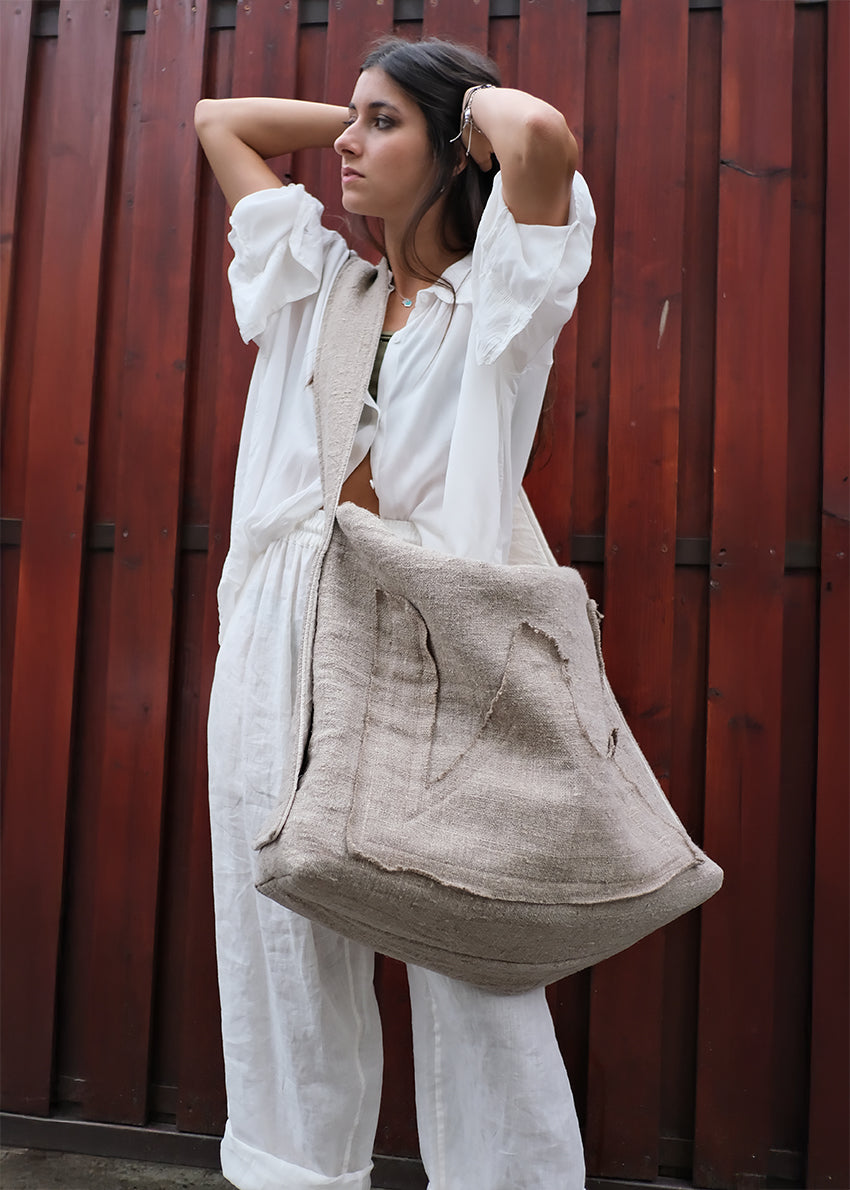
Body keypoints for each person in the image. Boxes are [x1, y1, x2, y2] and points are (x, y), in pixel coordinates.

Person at [195, 35, 595, 1190]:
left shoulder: (500, 302)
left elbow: (540, 139)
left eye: (383, 125)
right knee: (279, 942)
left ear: (450, 144)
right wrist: (365, 116)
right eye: (348, 123)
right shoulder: (321, 284)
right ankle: (293, 1174)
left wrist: (460, 105)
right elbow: (220, 120)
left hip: (428, 639)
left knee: (467, 946)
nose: (346, 150)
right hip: (277, 637)